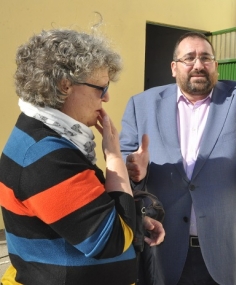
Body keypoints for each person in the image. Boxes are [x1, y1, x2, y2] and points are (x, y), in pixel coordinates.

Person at [120, 32, 236, 285]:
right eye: (189, 58)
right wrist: (134, 171)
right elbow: (125, 156)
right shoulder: (141, 105)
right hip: (164, 248)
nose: (198, 64)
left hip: (230, 249)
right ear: (174, 68)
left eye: (206, 58)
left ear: (215, 66)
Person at [0, 28, 164, 285]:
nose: (107, 97)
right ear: (65, 86)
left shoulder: (46, 135)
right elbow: (113, 240)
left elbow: (81, 214)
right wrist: (114, 158)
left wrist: (137, 220)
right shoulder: (44, 157)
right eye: (101, 87)